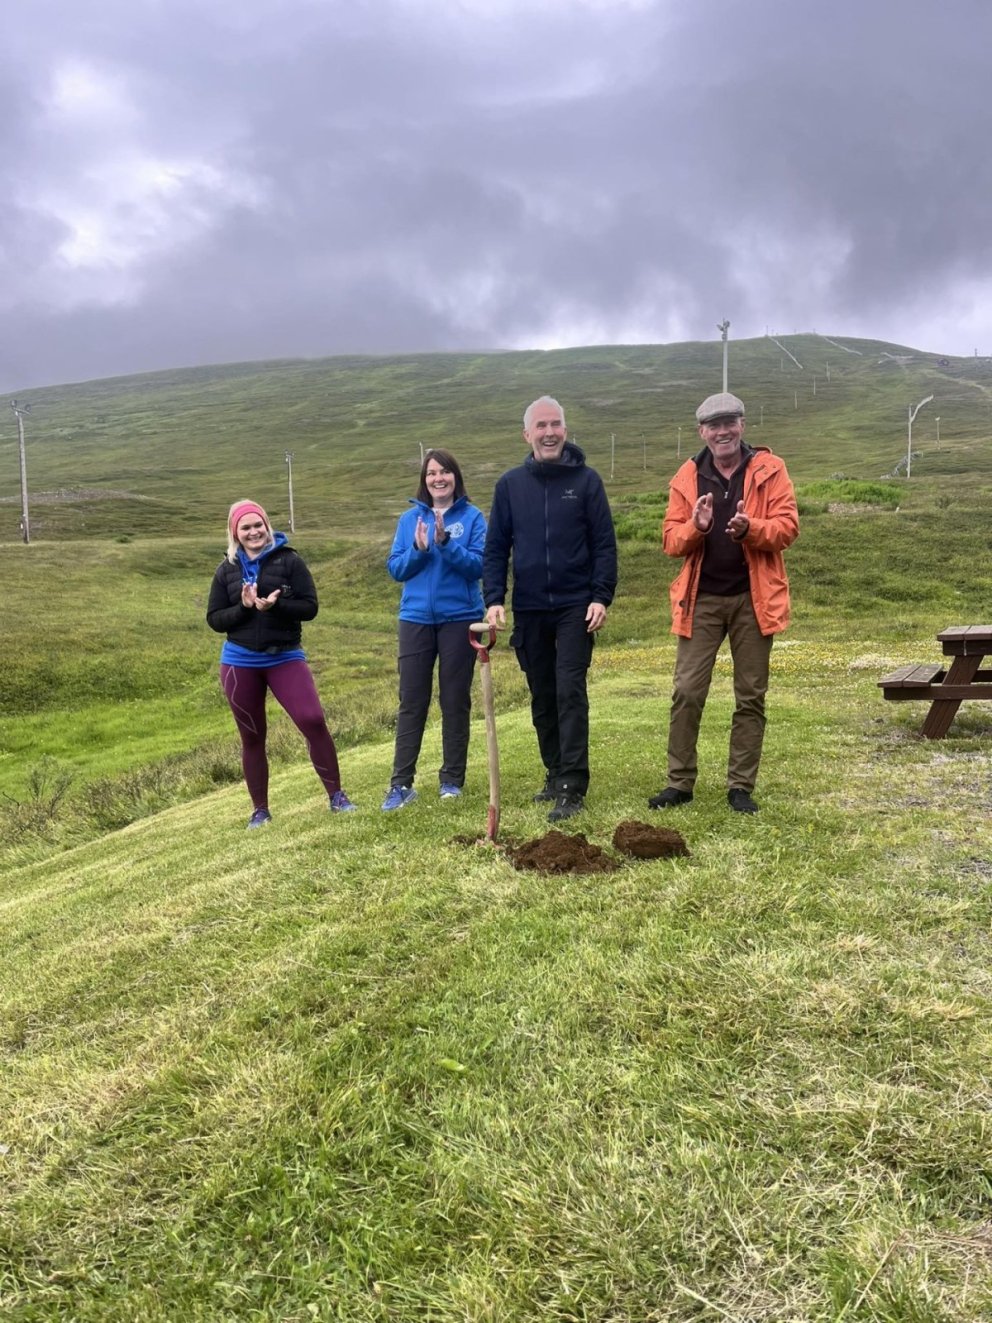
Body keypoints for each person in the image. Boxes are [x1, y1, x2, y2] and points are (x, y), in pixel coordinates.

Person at [649, 392, 799, 815]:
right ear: (702, 432)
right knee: (686, 691)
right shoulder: (686, 476)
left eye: (729, 421)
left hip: (755, 600)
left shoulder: (771, 469)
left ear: (742, 425)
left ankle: (740, 787)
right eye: (713, 425)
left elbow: (787, 528)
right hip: (701, 599)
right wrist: (696, 528)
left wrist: (751, 529)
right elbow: (670, 540)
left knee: (750, 695)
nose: (722, 431)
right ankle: (679, 783)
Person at [483, 395, 618, 823]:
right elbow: (495, 548)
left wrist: (601, 595)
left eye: (555, 424)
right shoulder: (509, 486)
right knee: (542, 693)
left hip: (577, 605)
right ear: (527, 434)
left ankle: (573, 784)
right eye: (540, 426)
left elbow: (603, 545)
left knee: (569, 690)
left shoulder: (587, 481)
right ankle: (554, 772)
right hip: (530, 607)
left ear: (565, 430)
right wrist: (493, 599)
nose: (549, 432)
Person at [206, 500, 355, 827]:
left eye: (258, 524)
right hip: (238, 662)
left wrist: (276, 606)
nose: (253, 531)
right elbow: (215, 619)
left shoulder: (290, 561)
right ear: (235, 533)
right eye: (245, 527)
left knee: (312, 719)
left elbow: (310, 607)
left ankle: (337, 796)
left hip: (285, 655)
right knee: (252, 736)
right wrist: (245, 608)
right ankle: (260, 810)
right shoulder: (226, 569)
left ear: (267, 525)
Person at [382, 449, 487, 809]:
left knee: (454, 700)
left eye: (444, 472)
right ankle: (401, 785)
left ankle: (451, 781)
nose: (438, 478)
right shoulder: (410, 519)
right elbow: (396, 569)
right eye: (431, 473)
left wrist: (447, 544)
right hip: (415, 619)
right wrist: (421, 548)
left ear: (455, 476)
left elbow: (478, 567)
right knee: (412, 701)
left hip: (460, 618)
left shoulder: (473, 518)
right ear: (424, 480)